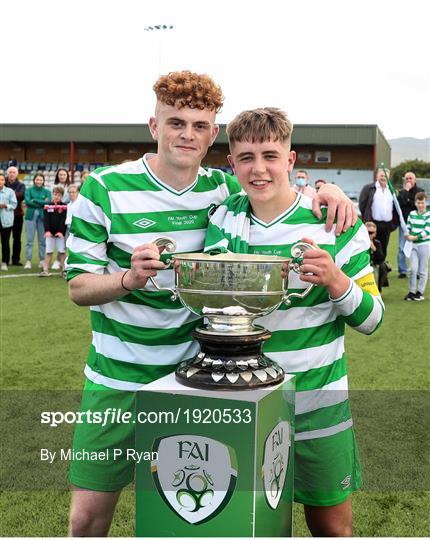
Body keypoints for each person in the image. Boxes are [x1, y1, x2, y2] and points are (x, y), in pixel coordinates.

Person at [66, 70, 358, 537]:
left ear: (213, 134)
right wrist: (127, 279)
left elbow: (274, 186)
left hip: (196, 380)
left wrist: (329, 191)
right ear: (153, 125)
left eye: (199, 125)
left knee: (198, 511)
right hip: (118, 374)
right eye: (176, 122)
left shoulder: (222, 192)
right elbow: (78, 287)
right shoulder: (104, 188)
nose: (187, 134)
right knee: (87, 517)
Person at [203, 107, 384, 537]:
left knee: (332, 528)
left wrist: (337, 281)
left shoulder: (335, 224)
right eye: (246, 157)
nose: (258, 168)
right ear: (232, 164)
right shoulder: (221, 219)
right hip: (243, 403)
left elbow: (373, 319)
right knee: (252, 527)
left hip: (318, 404)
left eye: (270, 155)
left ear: (290, 159)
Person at [359, 168, 399, 258]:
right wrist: (367, 220)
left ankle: (382, 268)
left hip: (387, 225)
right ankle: (370, 267)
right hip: (373, 224)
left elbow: (396, 208)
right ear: (377, 176)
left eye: (385, 176)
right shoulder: (368, 188)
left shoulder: (392, 190)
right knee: (370, 247)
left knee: (383, 249)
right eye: (381, 175)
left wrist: (393, 224)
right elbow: (362, 205)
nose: (383, 178)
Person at [397, 171, 424, 278]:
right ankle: (402, 270)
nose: (408, 180)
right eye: (406, 178)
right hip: (404, 224)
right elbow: (400, 203)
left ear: (415, 180)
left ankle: (417, 271)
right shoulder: (402, 191)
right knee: (401, 247)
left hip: (417, 224)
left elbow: (417, 205)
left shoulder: (420, 191)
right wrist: (406, 192)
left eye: (410, 178)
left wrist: (408, 201)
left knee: (417, 248)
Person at [403, 191, 430, 301]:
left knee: (423, 270)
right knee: (413, 269)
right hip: (412, 246)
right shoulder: (412, 214)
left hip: (424, 245)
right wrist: (407, 234)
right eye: (418, 203)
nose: (420, 205)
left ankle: (420, 292)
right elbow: (408, 227)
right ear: (415, 203)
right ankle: (412, 291)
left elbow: (427, 231)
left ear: (426, 202)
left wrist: (415, 237)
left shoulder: (428, 215)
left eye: (422, 203)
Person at [24, 173, 51, 269]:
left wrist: (34, 200)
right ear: (34, 180)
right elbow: (27, 201)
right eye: (37, 179)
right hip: (30, 216)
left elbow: (48, 202)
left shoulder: (47, 191)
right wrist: (41, 203)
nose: (39, 181)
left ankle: (42, 260)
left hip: (43, 216)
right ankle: (28, 260)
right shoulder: (28, 190)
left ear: (43, 181)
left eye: (41, 180)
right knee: (29, 240)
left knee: (42, 240)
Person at [40, 186, 67, 277]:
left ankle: (64, 270)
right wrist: (47, 231)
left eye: (59, 195)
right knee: (49, 252)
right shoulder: (47, 206)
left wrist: (60, 231)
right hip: (50, 234)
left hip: (60, 235)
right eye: (55, 194)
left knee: (62, 252)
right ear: (52, 194)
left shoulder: (64, 206)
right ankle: (45, 270)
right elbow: (46, 220)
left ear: (62, 196)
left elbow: (63, 220)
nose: (56, 196)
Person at [6, 166, 25, 265]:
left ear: (17, 174)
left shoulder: (21, 185)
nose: (12, 174)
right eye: (10, 172)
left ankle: (16, 259)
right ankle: (5, 259)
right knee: (5, 238)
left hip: (17, 215)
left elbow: (21, 195)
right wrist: (13, 194)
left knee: (17, 238)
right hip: (4, 215)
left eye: (14, 172)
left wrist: (7, 194)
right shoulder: (3, 183)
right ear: (7, 173)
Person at [0, 172, 17, 271]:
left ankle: (5, 262)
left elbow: (14, 204)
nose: (0, 182)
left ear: (4, 181)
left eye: (2, 180)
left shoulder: (10, 191)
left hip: (6, 220)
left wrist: (5, 205)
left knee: (5, 242)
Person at [364, 221, 387, 292]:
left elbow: (381, 258)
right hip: (362, 265)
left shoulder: (377, 243)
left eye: (371, 233)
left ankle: (378, 289)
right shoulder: (359, 243)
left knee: (383, 267)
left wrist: (374, 249)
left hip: (373, 264)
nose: (369, 235)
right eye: (367, 232)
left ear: (375, 234)